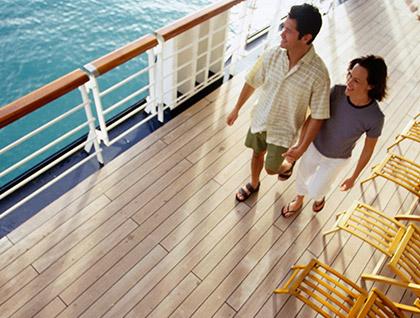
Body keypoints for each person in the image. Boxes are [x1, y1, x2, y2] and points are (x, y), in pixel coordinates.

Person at [226, 3, 330, 202]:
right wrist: (236, 109)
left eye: (288, 31)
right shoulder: (272, 54)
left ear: (306, 38)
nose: (282, 33)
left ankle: (286, 166)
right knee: (256, 154)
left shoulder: (319, 74)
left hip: (284, 132)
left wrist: (301, 146)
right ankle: (254, 184)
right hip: (260, 119)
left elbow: (318, 115)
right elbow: (252, 81)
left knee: (272, 168)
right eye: (283, 27)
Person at [281, 55, 387, 217]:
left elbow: (368, 150)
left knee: (318, 189)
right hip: (314, 146)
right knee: (303, 175)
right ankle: (299, 199)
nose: (349, 82)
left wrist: (354, 176)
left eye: (356, 81)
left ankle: (319, 197)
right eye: (350, 75)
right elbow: (313, 118)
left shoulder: (375, 117)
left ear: (371, 85)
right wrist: (301, 145)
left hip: (337, 159)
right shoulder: (336, 92)